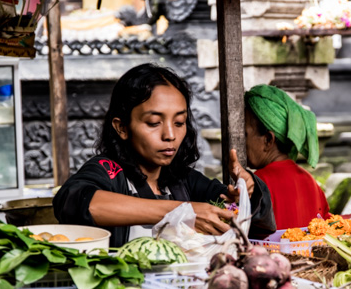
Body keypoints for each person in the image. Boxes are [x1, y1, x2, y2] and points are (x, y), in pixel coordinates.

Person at [53, 64, 275, 247]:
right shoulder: (108, 171)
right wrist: (182, 212)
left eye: (179, 122)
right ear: (122, 127)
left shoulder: (184, 181)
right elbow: (76, 202)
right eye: (153, 123)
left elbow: (259, 223)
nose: (170, 135)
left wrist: (248, 191)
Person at [243, 84, 330, 229]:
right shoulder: (310, 181)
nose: (242, 142)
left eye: (245, 135)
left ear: (268, 140)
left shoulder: (258, 183)